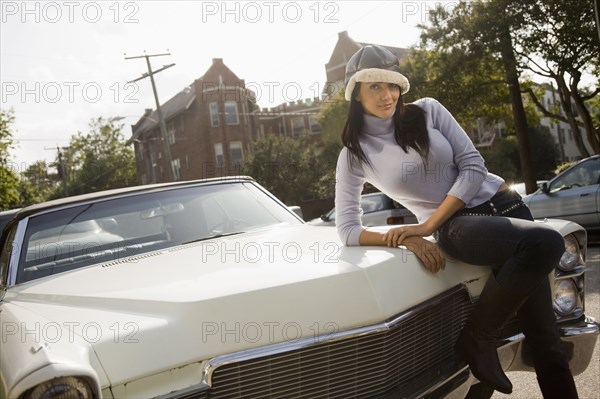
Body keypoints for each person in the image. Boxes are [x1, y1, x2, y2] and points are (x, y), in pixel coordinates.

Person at [335, 44, 578, 398]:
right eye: (374, 86)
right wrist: (408, 236)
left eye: (392, 85)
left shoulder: (429, 110)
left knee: (547, 342)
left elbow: (473, 165)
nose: (386, 95)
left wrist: (426, 227)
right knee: (547, 241)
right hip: (461, 228)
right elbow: (348, 229)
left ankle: (478, 341)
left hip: (508, 208)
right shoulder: (354, 153)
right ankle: (478, 338)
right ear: (355, 93)